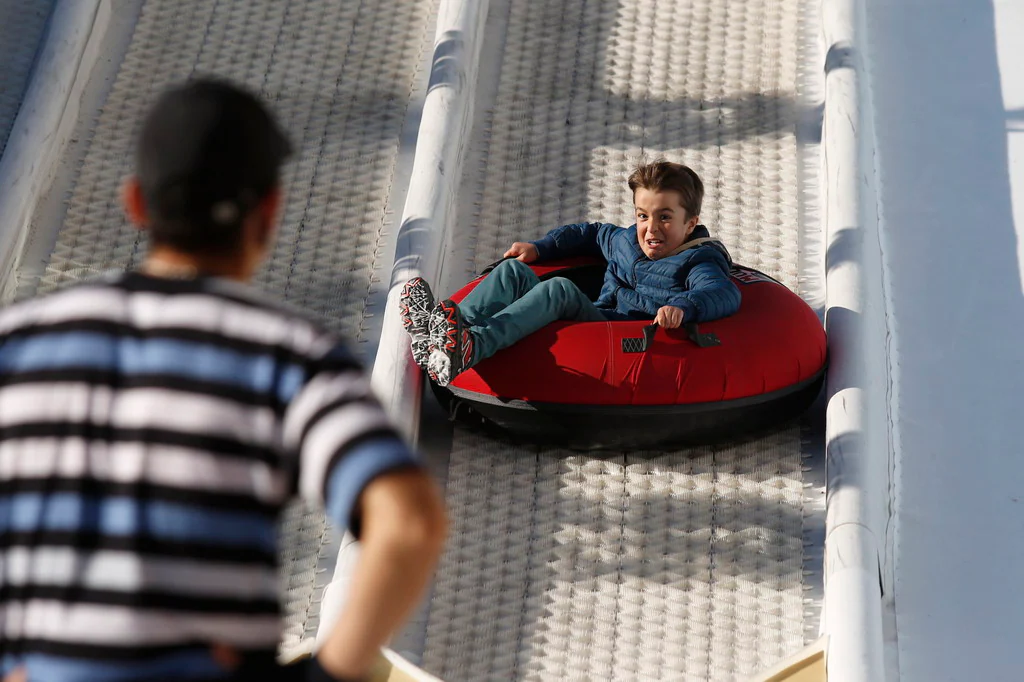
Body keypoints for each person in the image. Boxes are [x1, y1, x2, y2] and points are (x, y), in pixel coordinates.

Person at [0, 78, 447, 682]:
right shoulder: (285, 355)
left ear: (135, 204)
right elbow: (410, 522)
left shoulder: (21, 343)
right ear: (270, 210)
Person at [400, 160, 741, 386]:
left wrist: (683, 306)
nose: (651, 228)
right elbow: (589, 233)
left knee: (559, 290)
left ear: (690, 223)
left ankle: (475, 345)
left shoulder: (697, 261)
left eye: (665, 217)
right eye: (642, 216)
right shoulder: (625, 241)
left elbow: (722, 292)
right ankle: (448, 331)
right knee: (511, 273)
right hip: (601, 312)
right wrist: (541, 248)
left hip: (621, 332)